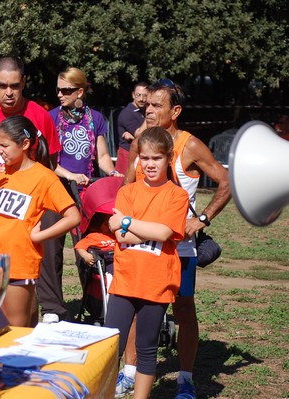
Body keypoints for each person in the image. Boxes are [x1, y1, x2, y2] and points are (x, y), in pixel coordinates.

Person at [120, 79, 231, 399]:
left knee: (183, 309)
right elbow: (126, 187)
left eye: (156, 105)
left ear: (175, 110)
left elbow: (225, 182)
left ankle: (185, 378)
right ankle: (129, 372)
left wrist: (202, 219)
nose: (148, 109)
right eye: (147, 105)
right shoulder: (139, 141)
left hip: (180, 247)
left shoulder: (190, 145)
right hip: (141, 243)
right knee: (137, 304)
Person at [106, 126, 189, 399]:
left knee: (146, 346)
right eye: (145, 158)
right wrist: (140, 227)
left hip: (156, 282)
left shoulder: (177, 195)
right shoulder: (127, 192)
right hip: (125, 280)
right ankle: (103, 393)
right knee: (110, 346)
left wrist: (128, 222)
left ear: (169, 158)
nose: (150, 164)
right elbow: (120, 235)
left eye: (157, 158)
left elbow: (165, 232)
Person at [0, 115, 80, 327]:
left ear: (25, 144)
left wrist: (39, 236)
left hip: (19, 262)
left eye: (4, 145)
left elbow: (73, 216)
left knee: (15, 330)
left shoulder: (44, 177)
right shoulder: (4, 172)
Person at [41, 67, 121, 323]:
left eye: (65, 90)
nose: (60, 95)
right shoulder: (50, 117)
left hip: (85, 193)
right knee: (51, 249)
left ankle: (96, 303)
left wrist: (112, 172)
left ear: (80, 92)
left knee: (88, 249)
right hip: (55, 190)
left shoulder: (96, 119)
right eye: (58, 89)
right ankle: (52, 308)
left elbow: (103, 155)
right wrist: (69, 175)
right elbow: (48, 160)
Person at [0, 56, 61, 253]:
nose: (8, 93)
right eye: (2, 85)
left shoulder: (41, 117)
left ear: (23, 82)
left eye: (14, 86)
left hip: (25, 222)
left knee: (19, 281)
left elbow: (49, 162)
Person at [115, 82, 148, 174]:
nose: (141, 99)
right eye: (138, 95)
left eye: (145, 96)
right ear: (133, 95)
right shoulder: (127, 113)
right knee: (123, 185)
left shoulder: (142, 111)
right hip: (127, 156)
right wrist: (148, 116)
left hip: (141, 155)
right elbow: (139, 134)